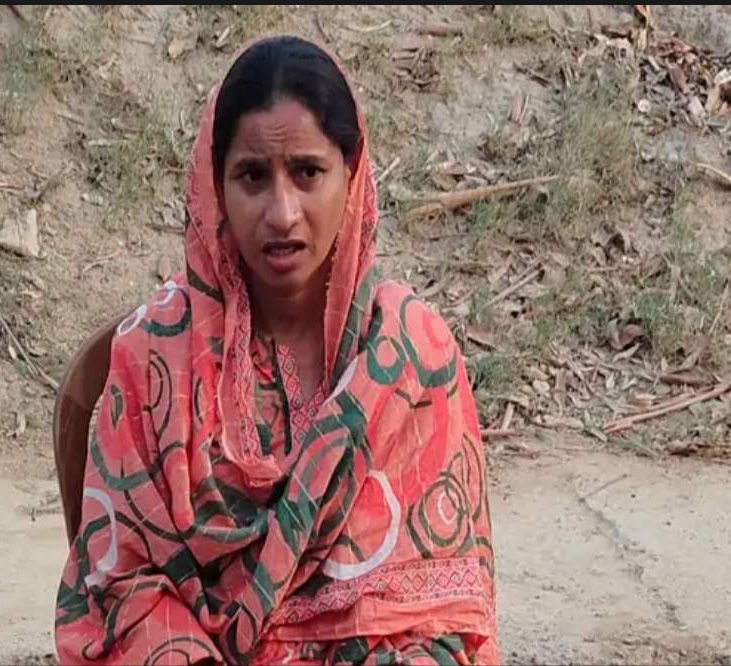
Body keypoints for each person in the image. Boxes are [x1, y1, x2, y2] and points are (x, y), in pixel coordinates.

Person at [54, 35, 499, 665]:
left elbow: (440, 617)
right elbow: (120, 585)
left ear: (352, 175)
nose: (282, 213)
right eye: (253, 176)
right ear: (215, 186)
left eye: (308, 172)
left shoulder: (412, 355)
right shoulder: (154, 354)